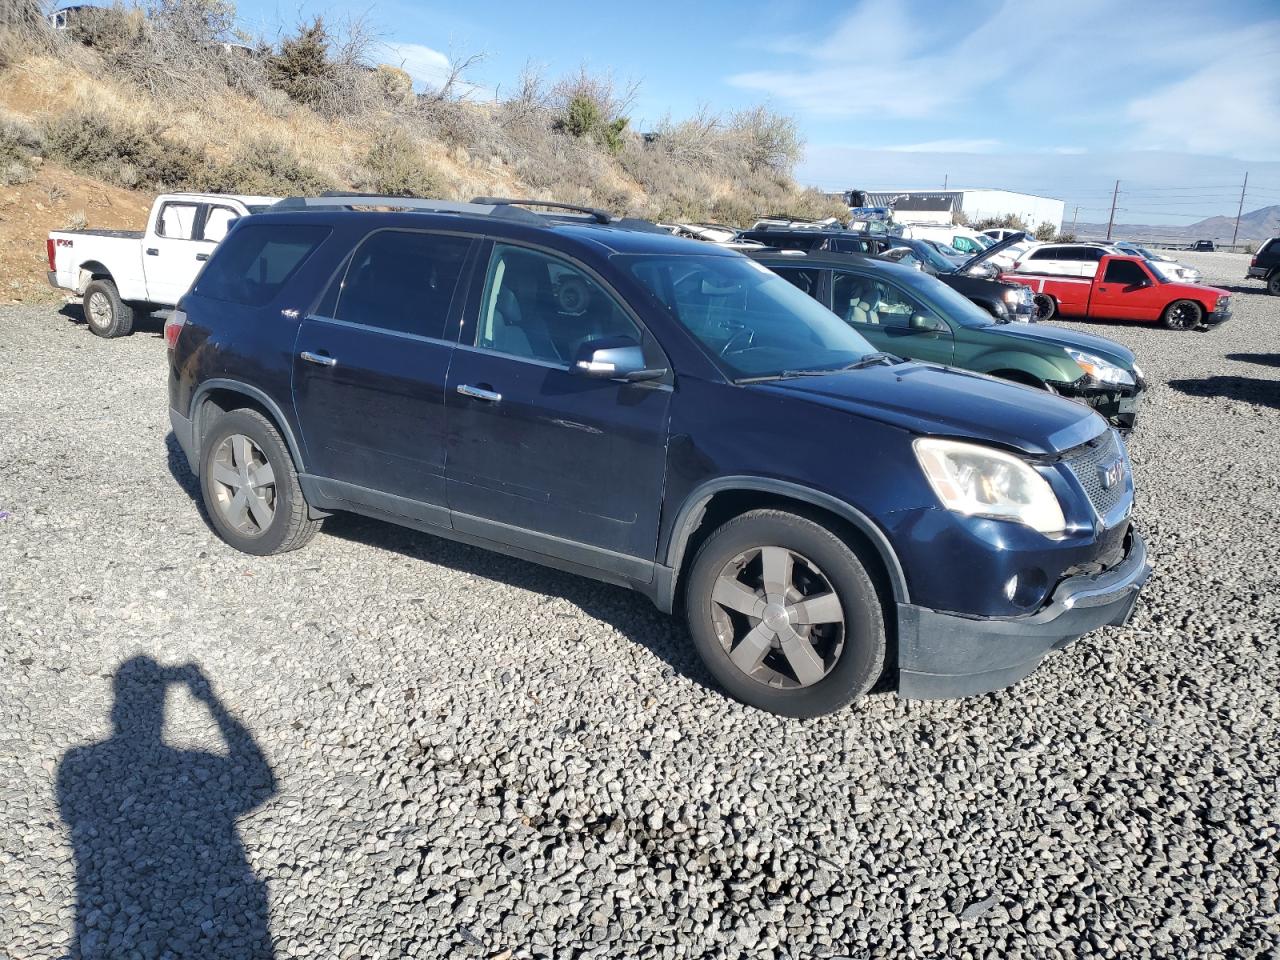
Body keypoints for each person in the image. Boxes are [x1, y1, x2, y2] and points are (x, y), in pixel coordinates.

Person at [57, 657, 276, 958]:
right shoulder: (197, 763)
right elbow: (262, 783)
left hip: (99, 920)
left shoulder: (76, 762)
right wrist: (211, 702)